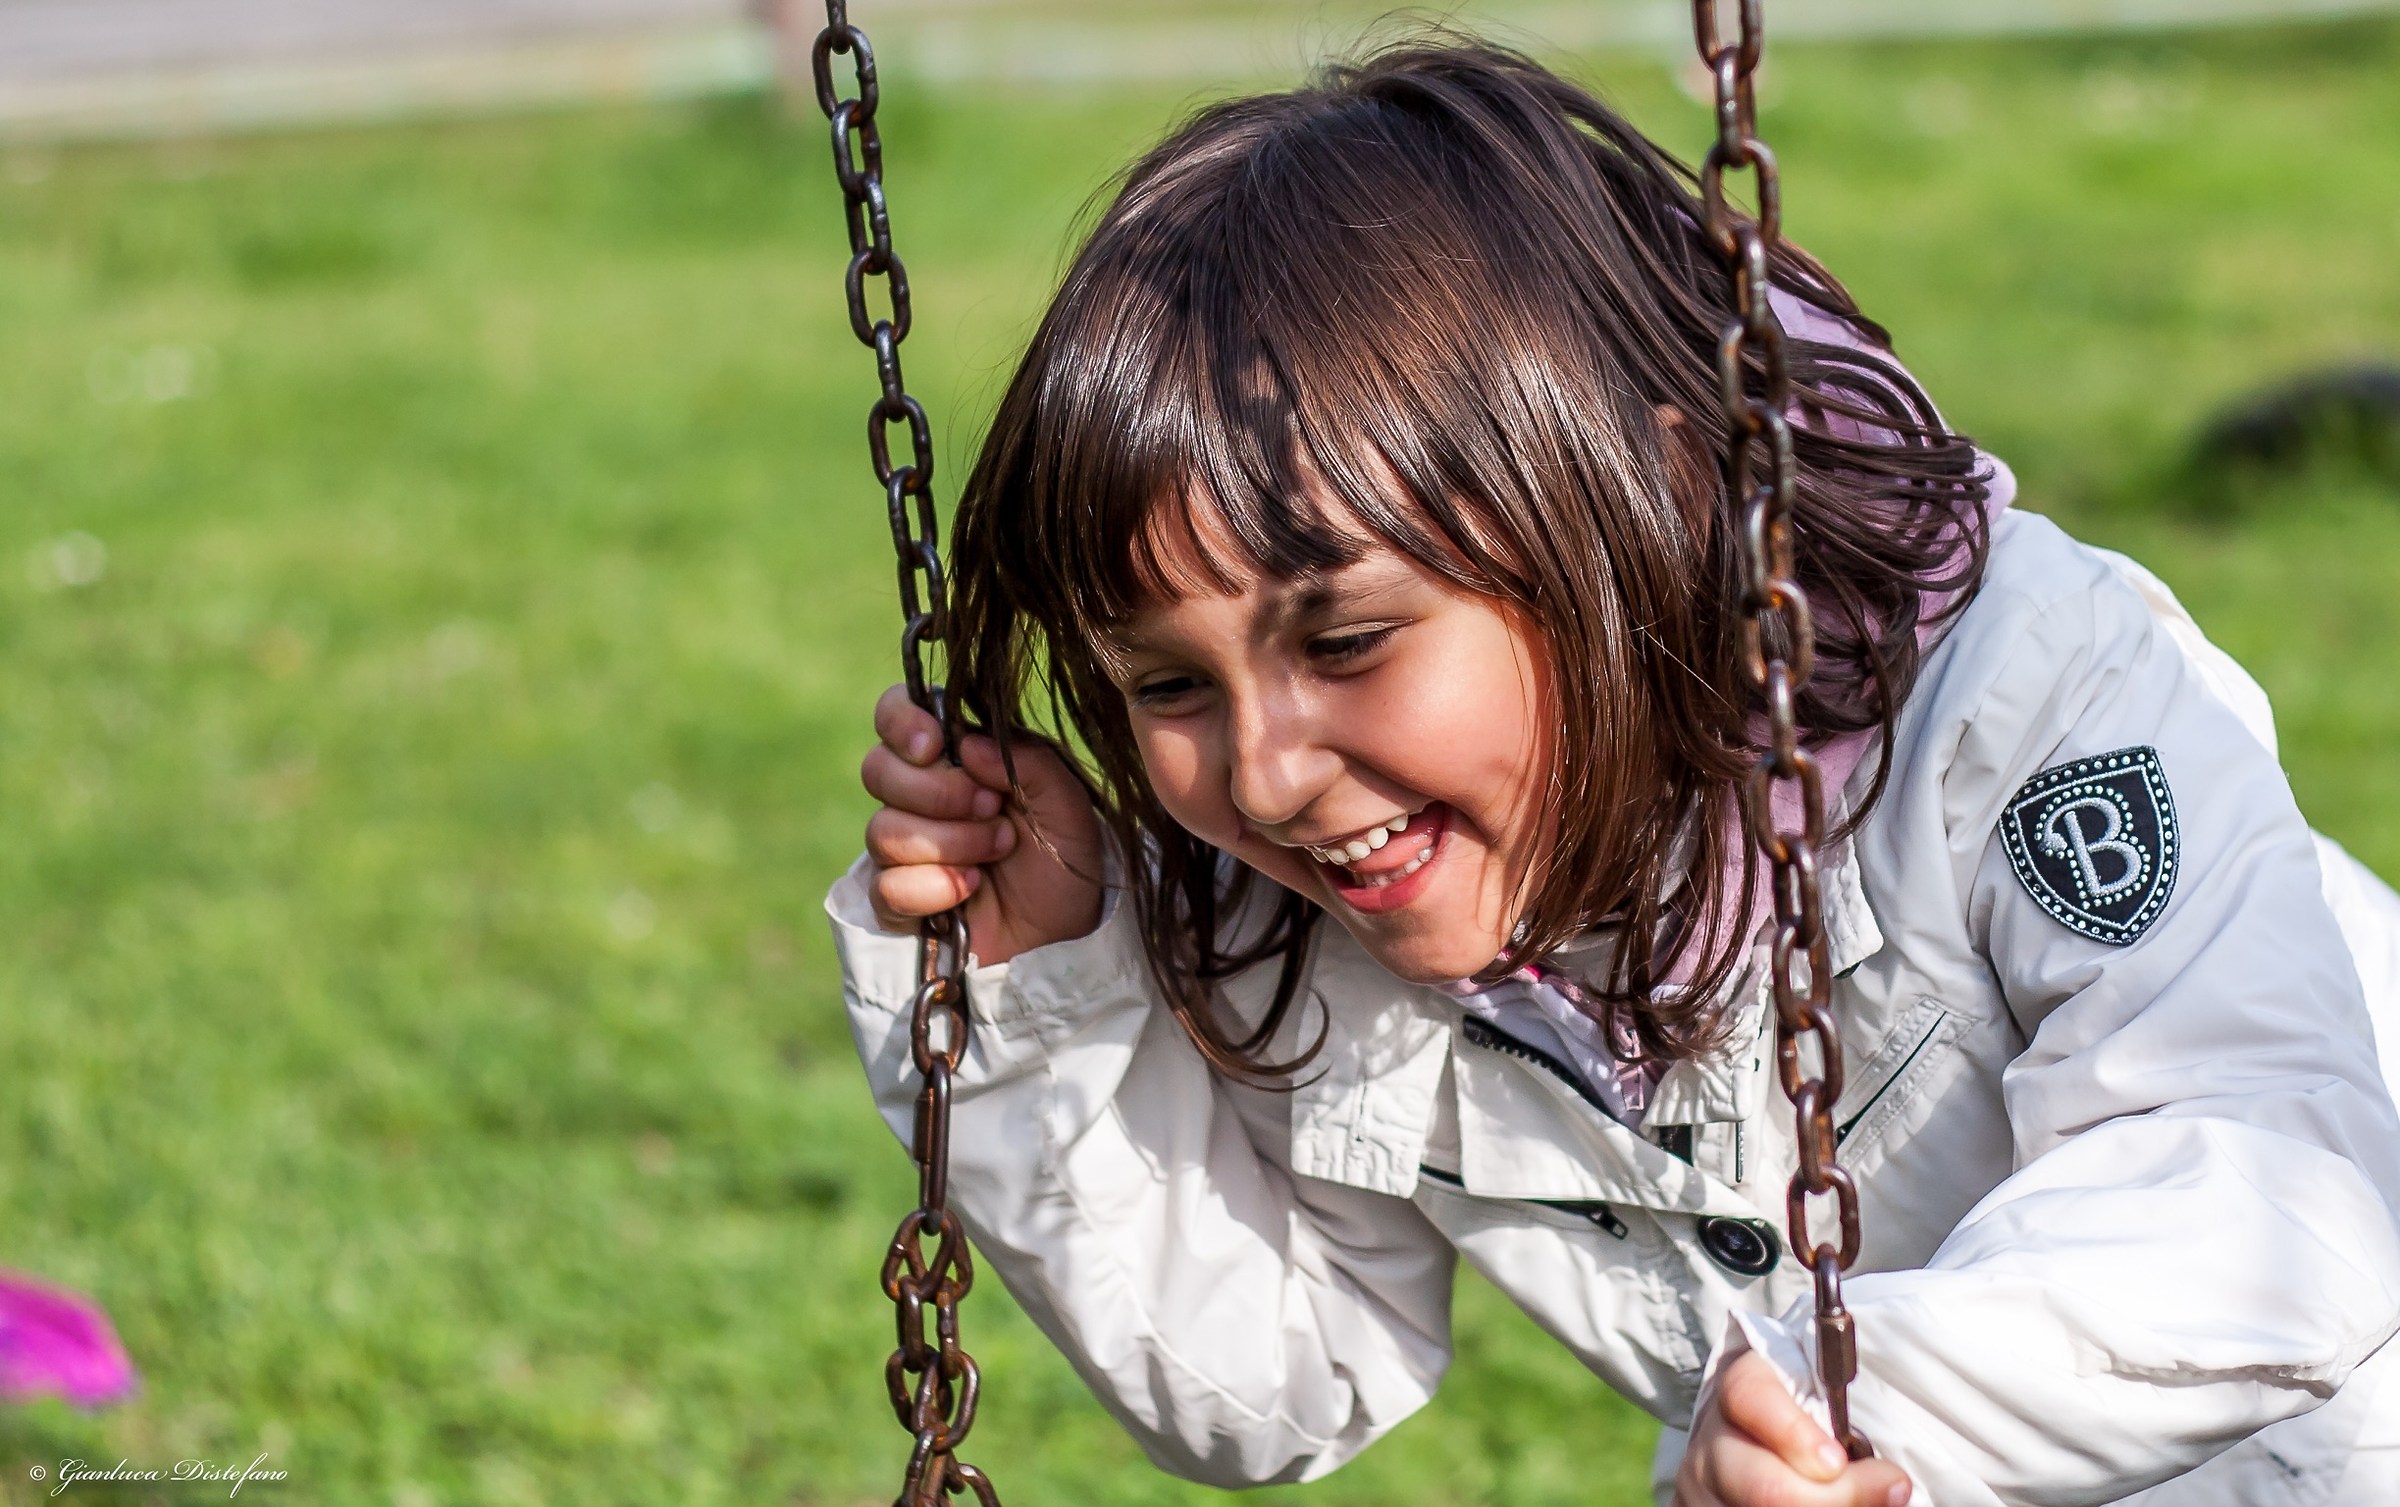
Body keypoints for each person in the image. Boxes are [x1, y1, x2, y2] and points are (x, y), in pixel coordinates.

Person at [826, 39, 2400, 1507]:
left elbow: (2277, 1202)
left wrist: (1858, 1397)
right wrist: (1045, 1000)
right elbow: (1285, 1376)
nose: (1271, 772)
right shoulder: (1329, 895)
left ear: (1641, 497)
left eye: (1353, 639)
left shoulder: (2019, 701)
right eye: (1169, 684)